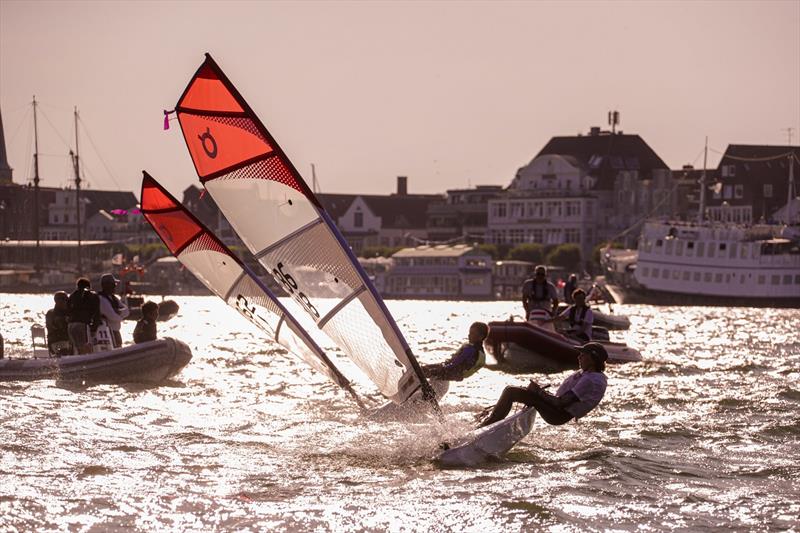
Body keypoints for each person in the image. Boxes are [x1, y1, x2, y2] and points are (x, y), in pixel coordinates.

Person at [478, 342, 608, 427]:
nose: (579, 357)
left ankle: (487, 425)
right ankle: (492, 421)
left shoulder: (591, 380)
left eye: (583, 355)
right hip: (556, 410)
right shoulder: (589, 374)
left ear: (593, 359)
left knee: (511, 391)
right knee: (517, 391)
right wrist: (537, 392)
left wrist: (539, 392)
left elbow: (560, 403)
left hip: (557, 414)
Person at [421, 322, 489, 381]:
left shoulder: (470, 349)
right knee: (430, 368)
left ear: (481, 337)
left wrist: (440, 369)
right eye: (469, 332)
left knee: (426, 370)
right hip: (457, 375)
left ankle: (419, 377)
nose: (469, 335)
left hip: (452, 371)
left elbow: (456, 362)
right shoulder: (480, 351)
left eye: (472, 333)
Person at [67, 277, 101, 354]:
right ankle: (87, 364)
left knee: (77, 348)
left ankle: (78, 363)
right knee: (85, 347)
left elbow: (68, 311)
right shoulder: (92, 295)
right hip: (82, 325)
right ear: (89, 286)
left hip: (71, 325)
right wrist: (94, 328)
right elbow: (96, 313)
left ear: (77, 286)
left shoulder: (72, 296)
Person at [98, 273, 130, 348]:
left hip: (116, 332)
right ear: (106, 285)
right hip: (108, 333)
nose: (115, 286)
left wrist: (118, 311)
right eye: (113, 284)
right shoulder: (101, 299)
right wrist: (121, 315)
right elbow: (112, 316)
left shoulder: (114, 298)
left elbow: (127, 311)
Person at [45, 291, 72, 356]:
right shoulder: (53, 314)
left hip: (54, 343)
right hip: (58, 343)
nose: (67, 302)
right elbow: (57, 327)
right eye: (65, 300)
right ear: (58, 301)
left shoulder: (50, 312)